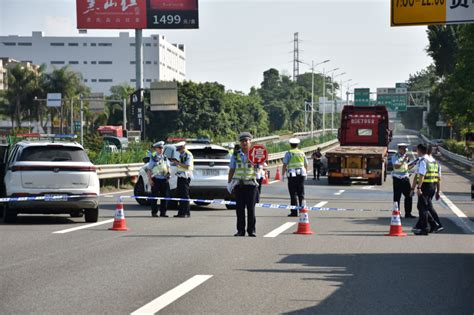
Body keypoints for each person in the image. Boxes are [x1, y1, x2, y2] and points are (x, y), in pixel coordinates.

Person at [228, 132, 258, 237]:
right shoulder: (236, 154)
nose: (245, 143)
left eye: (247, 141)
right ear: (240, 143)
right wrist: (229, 183)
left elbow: (262, 165)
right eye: (242, 141)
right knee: (239, 209)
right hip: (239, 185)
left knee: (251, 209)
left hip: (251, 185)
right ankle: (240, 230)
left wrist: (260, 168)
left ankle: (251, 230)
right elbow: (232, 169)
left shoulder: (256, 153)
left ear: (250, 142)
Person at [411, 143, 444, 235]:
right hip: (432, 186)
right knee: (427, 206)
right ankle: (434, 224)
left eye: (417, 150)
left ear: (420, 150)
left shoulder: (423, 161)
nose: (416, 152)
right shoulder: (435, 162)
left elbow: (421, 175)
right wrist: (437, 191)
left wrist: (418, 188)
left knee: (422, 208)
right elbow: (438, 178)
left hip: (425, 186)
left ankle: (426, 227)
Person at [282, 138, 309, 217]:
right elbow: (306, 164)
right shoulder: (301, 153)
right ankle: (302, 210)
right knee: (301, 193)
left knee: (293, 193)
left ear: (290, 145)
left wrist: (282, 175)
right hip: (301, 174)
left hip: (292, 175)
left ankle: (294, 212)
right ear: (298, 145)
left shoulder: (289, 153)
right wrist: (306, 173)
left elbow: (285, 164)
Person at [146, 141, 171, 217]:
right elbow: (149, 169)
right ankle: (154, 212)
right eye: (159, 148)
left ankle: (163, 212)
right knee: (154, 197)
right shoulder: (153, 158)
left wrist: (169, 175)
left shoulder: (165, 157)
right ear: (156, 149)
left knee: (165, 197)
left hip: (164, 180)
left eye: (162, 148)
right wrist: (150, 179)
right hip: (156, 180)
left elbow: (168, 167)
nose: (161, 149)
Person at [391, 143, 415, 218]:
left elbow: (407, 167)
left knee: (409, 196)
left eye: (406, 149)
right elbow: (396, 166)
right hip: (397, 179)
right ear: (400, 149)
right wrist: (404, 160)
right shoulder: (395, 156)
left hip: (405, 178)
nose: (405, 151)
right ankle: (397, 213)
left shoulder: (406, 157)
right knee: (397, 197)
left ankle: (408, 213)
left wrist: (414, 164)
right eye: (404, 149)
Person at [172, 141, 194, 218]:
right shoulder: (182, 155)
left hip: (185, 176)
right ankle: (181, 212)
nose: (179, 151)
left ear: (183, 147)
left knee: (185, 195)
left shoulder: (188, 154)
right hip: (180, 176)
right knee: (180, 194)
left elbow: (187, 166)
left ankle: (186, 212)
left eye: (179, 149)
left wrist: (177, 163)